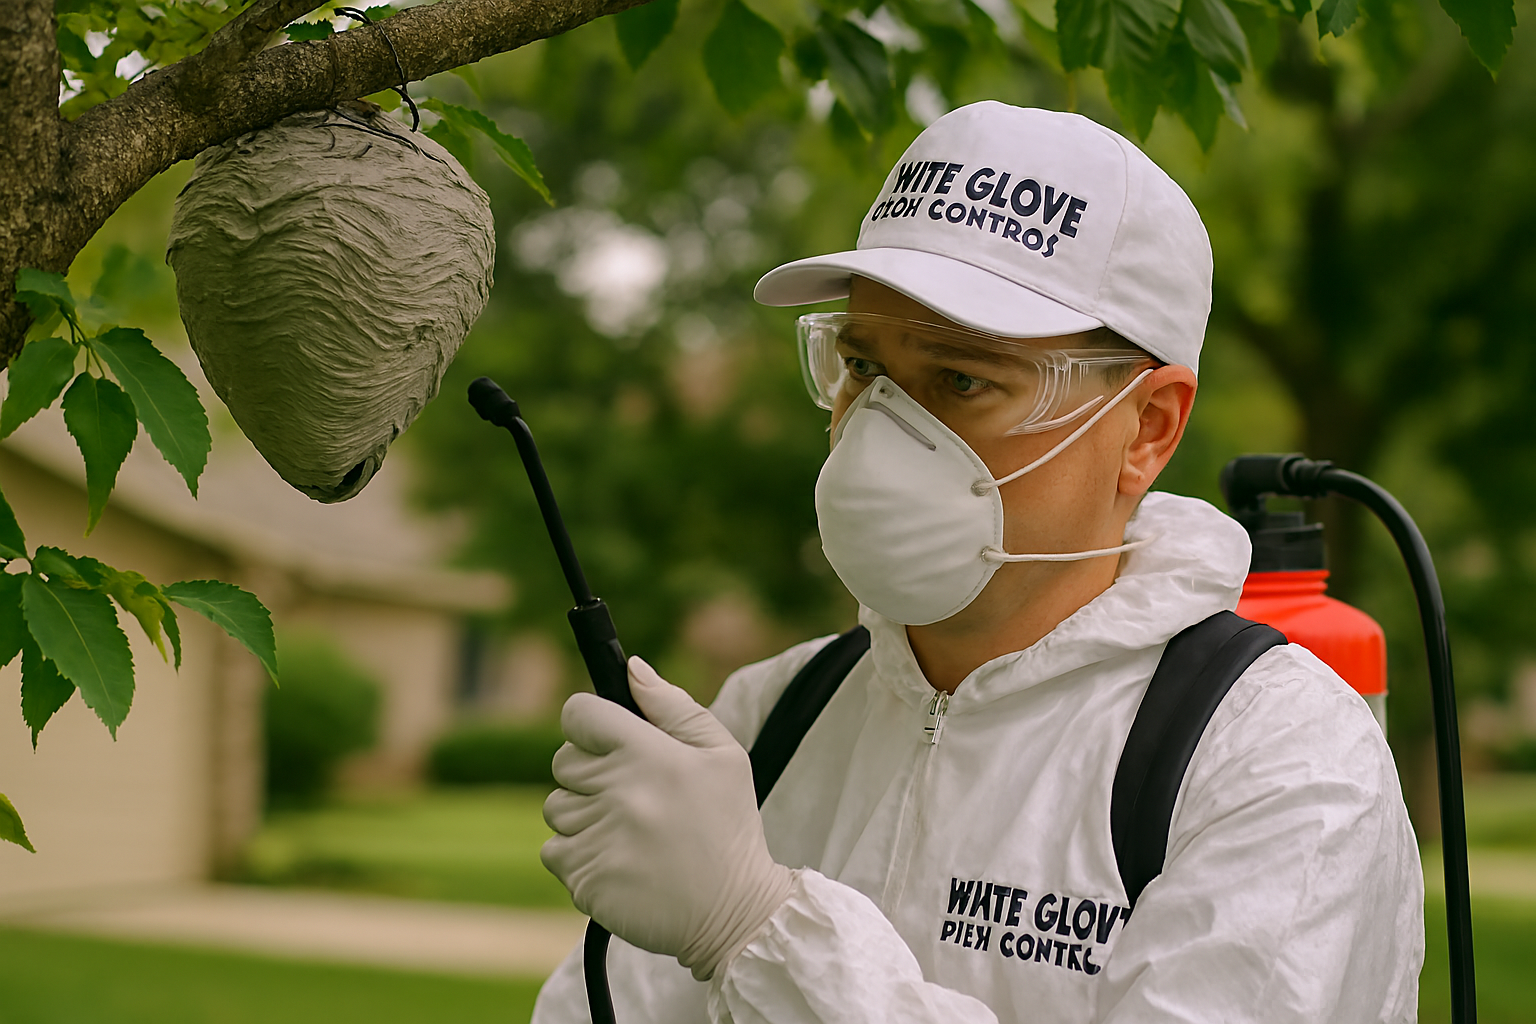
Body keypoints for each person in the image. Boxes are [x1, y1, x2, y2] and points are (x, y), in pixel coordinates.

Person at [532, 101, 1423, 1024]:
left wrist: (755, 929)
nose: (877, 430)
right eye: (863, 368)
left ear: (1146, 429)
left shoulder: (1275, 765)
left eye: (962, 380)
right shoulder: (773, 717)